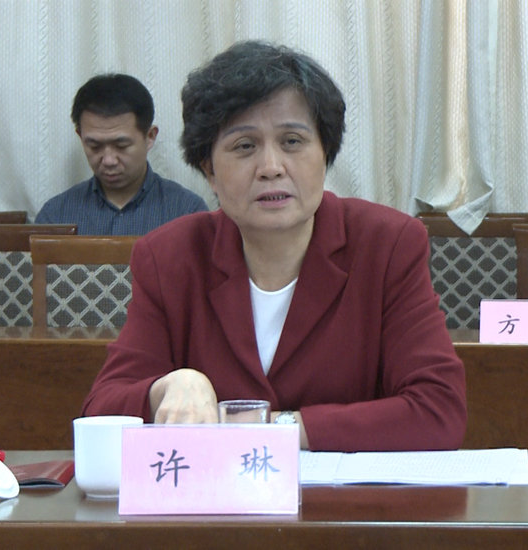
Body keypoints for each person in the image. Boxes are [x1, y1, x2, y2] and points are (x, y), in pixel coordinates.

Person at [82, 42, 467, 452]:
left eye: (292, 141)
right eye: (244, 146)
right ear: (209, 171)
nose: (271, 168)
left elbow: (438, 410)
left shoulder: (387, 244)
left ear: (325, 154)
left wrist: (272, 427)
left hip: (341, 495)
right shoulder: (169, 257)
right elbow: (101, 411)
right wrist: (167, 387)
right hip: (219, 493)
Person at [35, 73, 207, 235]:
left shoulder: (187, 212)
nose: (109, 160)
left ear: (149, 137)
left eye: (121, 145)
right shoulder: (56, 215)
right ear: (81, 137)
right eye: (94, 146)